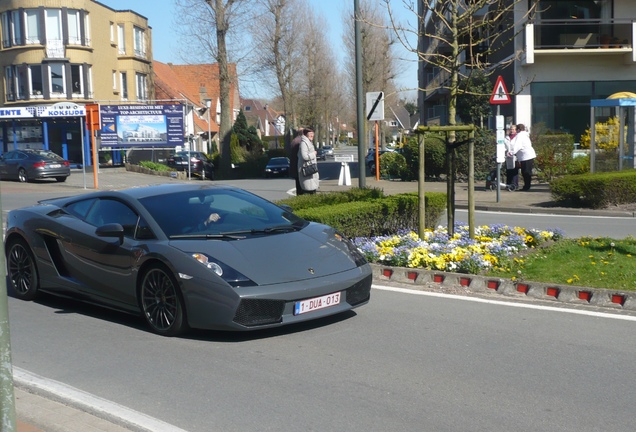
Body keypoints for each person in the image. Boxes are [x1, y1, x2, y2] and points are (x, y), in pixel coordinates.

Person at [509, 123, 536, 191]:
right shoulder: (525, 135)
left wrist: (511, 153)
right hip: (527, 156)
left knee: (526, 172)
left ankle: (527, 186)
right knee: (526, 171)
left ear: (518, 129)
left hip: (526, 156)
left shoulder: (520, 136)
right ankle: (527, 186)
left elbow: (517, 146)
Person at [297, 128, 319, 194]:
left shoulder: (308, 142)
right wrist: (313, 154)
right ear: (306, 134)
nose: (312, 135)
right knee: (308, 191)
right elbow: (305, 156)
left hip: (310, 170)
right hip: (307, 171)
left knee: (312, 190)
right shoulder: (304, 143)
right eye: (310, 134)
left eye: (313, 133)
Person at [289, 128, 305, 195]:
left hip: (295, 166)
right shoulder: (301, 141)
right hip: (300, 166)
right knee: (302, 186)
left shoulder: (294, 141)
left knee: (298, 187)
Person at [504, 124, 518, 190]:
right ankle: (508, 184)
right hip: (508, 155)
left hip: (515, 155)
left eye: (513, 129)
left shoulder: (517, 137)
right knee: (508, 170)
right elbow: (504, 146)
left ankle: (515, 184)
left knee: (514, 170)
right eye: (511, 129)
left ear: (515, 130)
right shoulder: (507, 137)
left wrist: (513, 152)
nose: (512, 130)